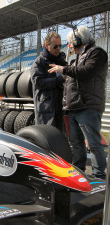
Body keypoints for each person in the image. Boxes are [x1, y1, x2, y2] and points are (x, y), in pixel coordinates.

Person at [48, 26, 108, 179]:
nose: (70, 47)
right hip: (75, 106)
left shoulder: (97, 53)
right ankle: (80, 172)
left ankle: (98, 176)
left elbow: (86, 73)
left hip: (88, 105)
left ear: (77, 40)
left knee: (93, 144)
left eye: (70, 43)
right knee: (76, 143)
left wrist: (64, 69)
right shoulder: (77, 58)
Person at [30, 32, 67, 131]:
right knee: (47, 141)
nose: (58, 48)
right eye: (55, 46)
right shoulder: (39, 62)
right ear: (46, 46)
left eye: (60, 45)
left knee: (61, 139)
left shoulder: (62, 62)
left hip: (61, 108)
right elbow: (38, 82)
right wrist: (60, 79)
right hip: (46, 110)